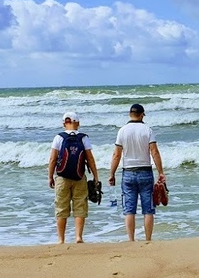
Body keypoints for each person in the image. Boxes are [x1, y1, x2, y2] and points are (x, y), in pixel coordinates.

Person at [108, 103, 166, 242]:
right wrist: (161, 172)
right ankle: (148, 239)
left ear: (130, 114)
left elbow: (116, 155)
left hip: (128, 172)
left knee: (129, 209)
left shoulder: (122, 131)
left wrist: (112, 174)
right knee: (148, 209)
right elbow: (154, 152)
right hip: (145, 172)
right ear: (142, 115)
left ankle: (131, 240)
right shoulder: (147, 130)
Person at [48, 112, 99, 244]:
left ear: (64, 123)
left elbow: (53, 159)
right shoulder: (83, 138)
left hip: (61, 177)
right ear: (78, 123)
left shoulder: (59, 138)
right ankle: (78, 237)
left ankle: (61, 239)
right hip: (79, 176)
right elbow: (90, 159)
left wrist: (50, 177)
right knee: (80, 206)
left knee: (61, 207)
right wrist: (95, 175)